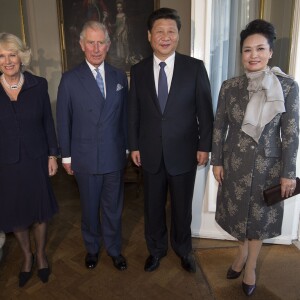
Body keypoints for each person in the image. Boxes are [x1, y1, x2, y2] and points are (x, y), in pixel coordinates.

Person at [211, 19, 299, 296]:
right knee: (238, 217)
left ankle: (250, 267)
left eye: (260, 49)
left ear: (270, 52)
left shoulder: (287, 88)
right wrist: (217, 160)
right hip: (235, 164)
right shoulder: (230, 86)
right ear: (241, 54)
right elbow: (218, 127)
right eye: (247, 50)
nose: (254, 55)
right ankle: (240, 256)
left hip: (268, 168)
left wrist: (288, 173)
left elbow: (292, 134)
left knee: (257, 221)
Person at [128, 8, 214, 273]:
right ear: (149, 36)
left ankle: (183, 249)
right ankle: (155, 250)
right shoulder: (139, 70)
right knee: (152, 208)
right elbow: (134, 112)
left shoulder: (195, 68)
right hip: (150, 153)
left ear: (178, 35)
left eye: (171, 31)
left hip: (184, 152)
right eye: (159, 31)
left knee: (181, 209)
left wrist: (204, 146)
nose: (165, 37)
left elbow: (205, 112)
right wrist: (134, 145)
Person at [56, 21, 128, 271]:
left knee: (113, 208)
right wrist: (66, 157)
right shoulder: (69, 79)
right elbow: (63, 121)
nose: (96, 48)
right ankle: (92, 249)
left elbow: (125, 117)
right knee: (89, 208)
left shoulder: (119, 77)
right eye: (91, 42)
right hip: (84, 157)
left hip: (114, 155)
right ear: (81, 45)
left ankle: (115, 250)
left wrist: (127, 147)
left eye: (101, 43)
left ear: (108, 45)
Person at [0, 33, 59, 287]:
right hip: (6, 163)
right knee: (16, 215)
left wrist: (52, 154)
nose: (7, 61)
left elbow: (48, 121)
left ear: (21, 56)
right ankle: (27, 257)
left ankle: (42, 255)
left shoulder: (38, 84)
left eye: (12, 54)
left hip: (35, 159)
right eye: (1, 56)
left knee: (39, 212)